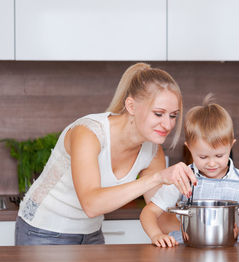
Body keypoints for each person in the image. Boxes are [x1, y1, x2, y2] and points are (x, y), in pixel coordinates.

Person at [15, 63, 197, 245]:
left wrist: (206, 225)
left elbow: (159, 216)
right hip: (42, 231)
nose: (168, 125)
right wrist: (157, 177)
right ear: (131, 106)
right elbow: (91, 204)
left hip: (91, 234)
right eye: (158, 114)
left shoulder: (152, 151)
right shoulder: (88, 133)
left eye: (173, 116)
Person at [140, 94, 239, 247]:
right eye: (202, 156)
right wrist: (156, 235)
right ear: (189, 148)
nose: (211, 163)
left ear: (231, 145)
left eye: (219, 155)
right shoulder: (182, 178)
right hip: (188, 253)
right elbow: (148, 213)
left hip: (234, 254)